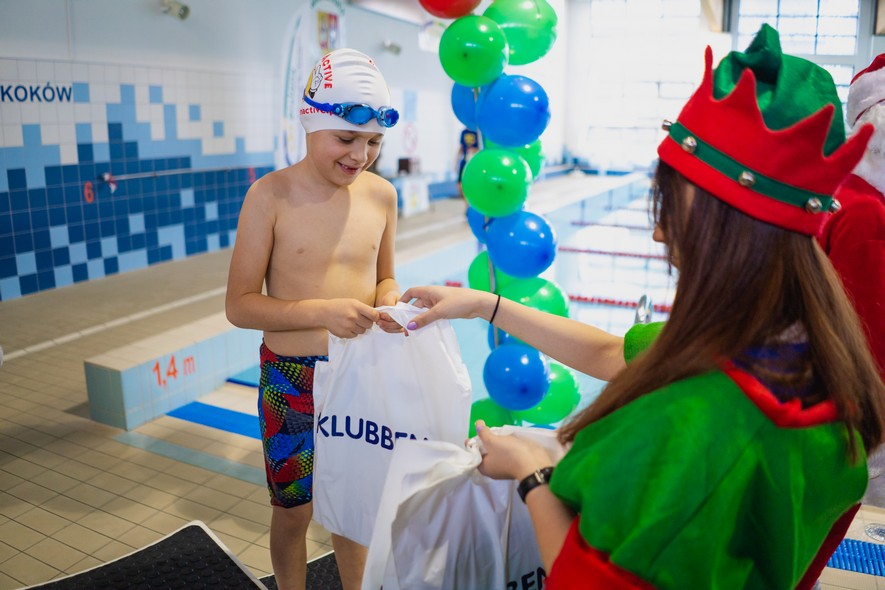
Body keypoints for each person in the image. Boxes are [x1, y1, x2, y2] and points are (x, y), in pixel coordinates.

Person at [400, 25, 885, 589]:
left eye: (668, 208)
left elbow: (589, 580)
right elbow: (615, 353)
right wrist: (486, 304)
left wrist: (529, 473)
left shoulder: (698, 420)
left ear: (716, 227)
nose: (658, 232)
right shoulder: (801, 358)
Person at [225, 48, 402, 590]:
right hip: (291, 380)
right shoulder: (269, 196)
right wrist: (322, 312)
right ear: (310, 122)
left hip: (358, 376)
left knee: (354, 509)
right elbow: (240, 305)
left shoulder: (382, 195)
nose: (361, 155)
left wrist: (394, 301)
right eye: (346, 139)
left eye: (374, 142)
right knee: (294, 512)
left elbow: (385, 278)